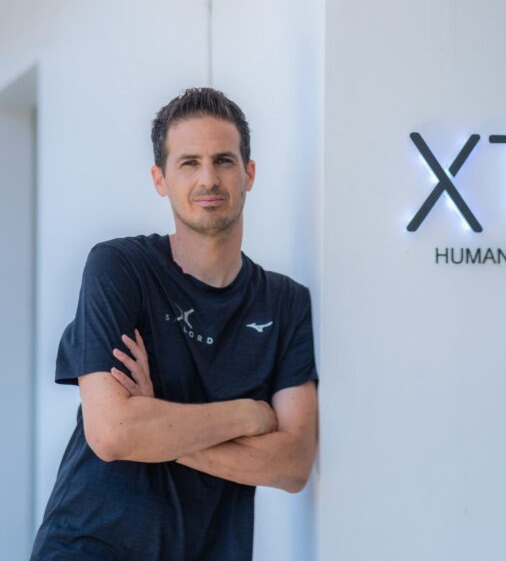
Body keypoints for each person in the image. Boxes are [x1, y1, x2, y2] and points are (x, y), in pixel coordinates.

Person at [30, 88, 319, 560]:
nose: (208, 178)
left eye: (223, 160)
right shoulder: (120, 269)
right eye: (189, 163)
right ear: (160, 179)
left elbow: (292, 465)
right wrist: (246, 415)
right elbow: (113, 433)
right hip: (91, 546)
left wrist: (153, 421)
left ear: (249, 173)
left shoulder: (285, 303)